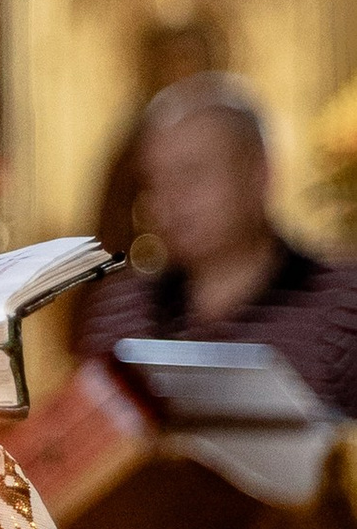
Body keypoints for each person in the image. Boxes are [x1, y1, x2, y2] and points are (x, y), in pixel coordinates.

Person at [79, 74, 357, 415]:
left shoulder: (344, 305)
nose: (169, 200)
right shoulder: (120, 311)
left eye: (191, 174)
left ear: (259, 175)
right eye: (154, 182)